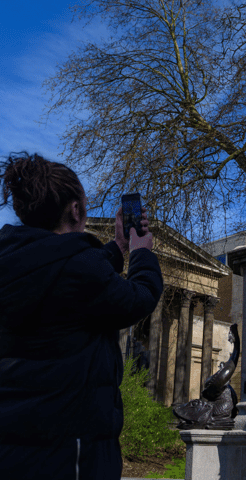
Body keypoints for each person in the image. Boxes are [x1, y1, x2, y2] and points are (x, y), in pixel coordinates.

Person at [0, 153, 163, 479]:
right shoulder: (77, 270)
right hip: (69, 449)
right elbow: (138, 299)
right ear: (75, 209)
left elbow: (62, 270)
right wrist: (141, 252)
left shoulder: (14, 262)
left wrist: (117, 247)